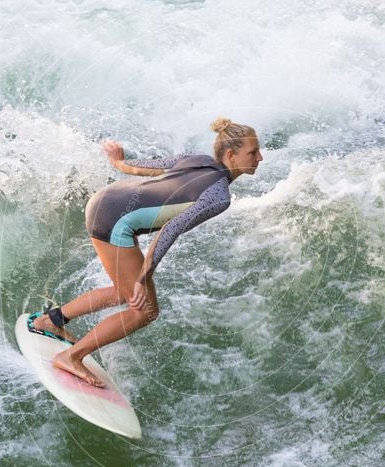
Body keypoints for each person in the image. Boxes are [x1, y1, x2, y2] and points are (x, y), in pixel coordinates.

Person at [28, 117, 263, 387]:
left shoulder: (197, 159)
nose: (260, 157)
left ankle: (50, 321)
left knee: (123, 291)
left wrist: (118, 163)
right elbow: (170, 230)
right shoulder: (219, 196)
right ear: (232, 155)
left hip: (104, 201)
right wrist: (142, 277)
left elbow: (149, 168)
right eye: (253, 152)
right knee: (144, 310)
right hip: (114, 221)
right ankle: (72, 356)